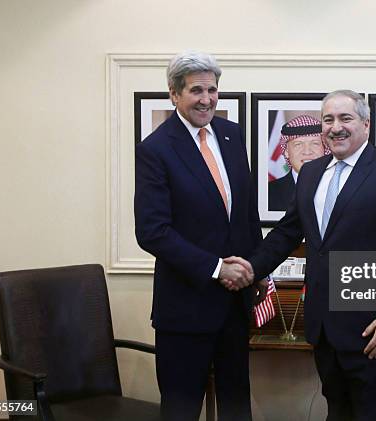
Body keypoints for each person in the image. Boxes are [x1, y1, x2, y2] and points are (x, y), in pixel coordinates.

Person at [227, 90, 376, 420]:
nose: (336, 127)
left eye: (345, 118)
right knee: (337, 412)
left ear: (366, 124)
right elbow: (286, 233)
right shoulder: (310, 173)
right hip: (326, 327)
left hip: (375, 327)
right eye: (328, 120)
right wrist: (251, 267)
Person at [134, 51, 264, 421]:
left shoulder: (231, 135)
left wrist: (255, 268)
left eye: (212, 90)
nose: (206, 99)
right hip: (186, 308)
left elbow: (245, 214)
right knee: (181, 409)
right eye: (196, 91)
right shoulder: (156, 149)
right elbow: (152, 231)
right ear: (174, 94)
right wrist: (216, 268)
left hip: (235, 304)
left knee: (237, 406)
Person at [268, 114, 330, 211]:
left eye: (315, 143)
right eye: (298, 144)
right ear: (287, 152)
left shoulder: (339, 188)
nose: (307, 151)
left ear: (324, 149)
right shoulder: (269, 192)